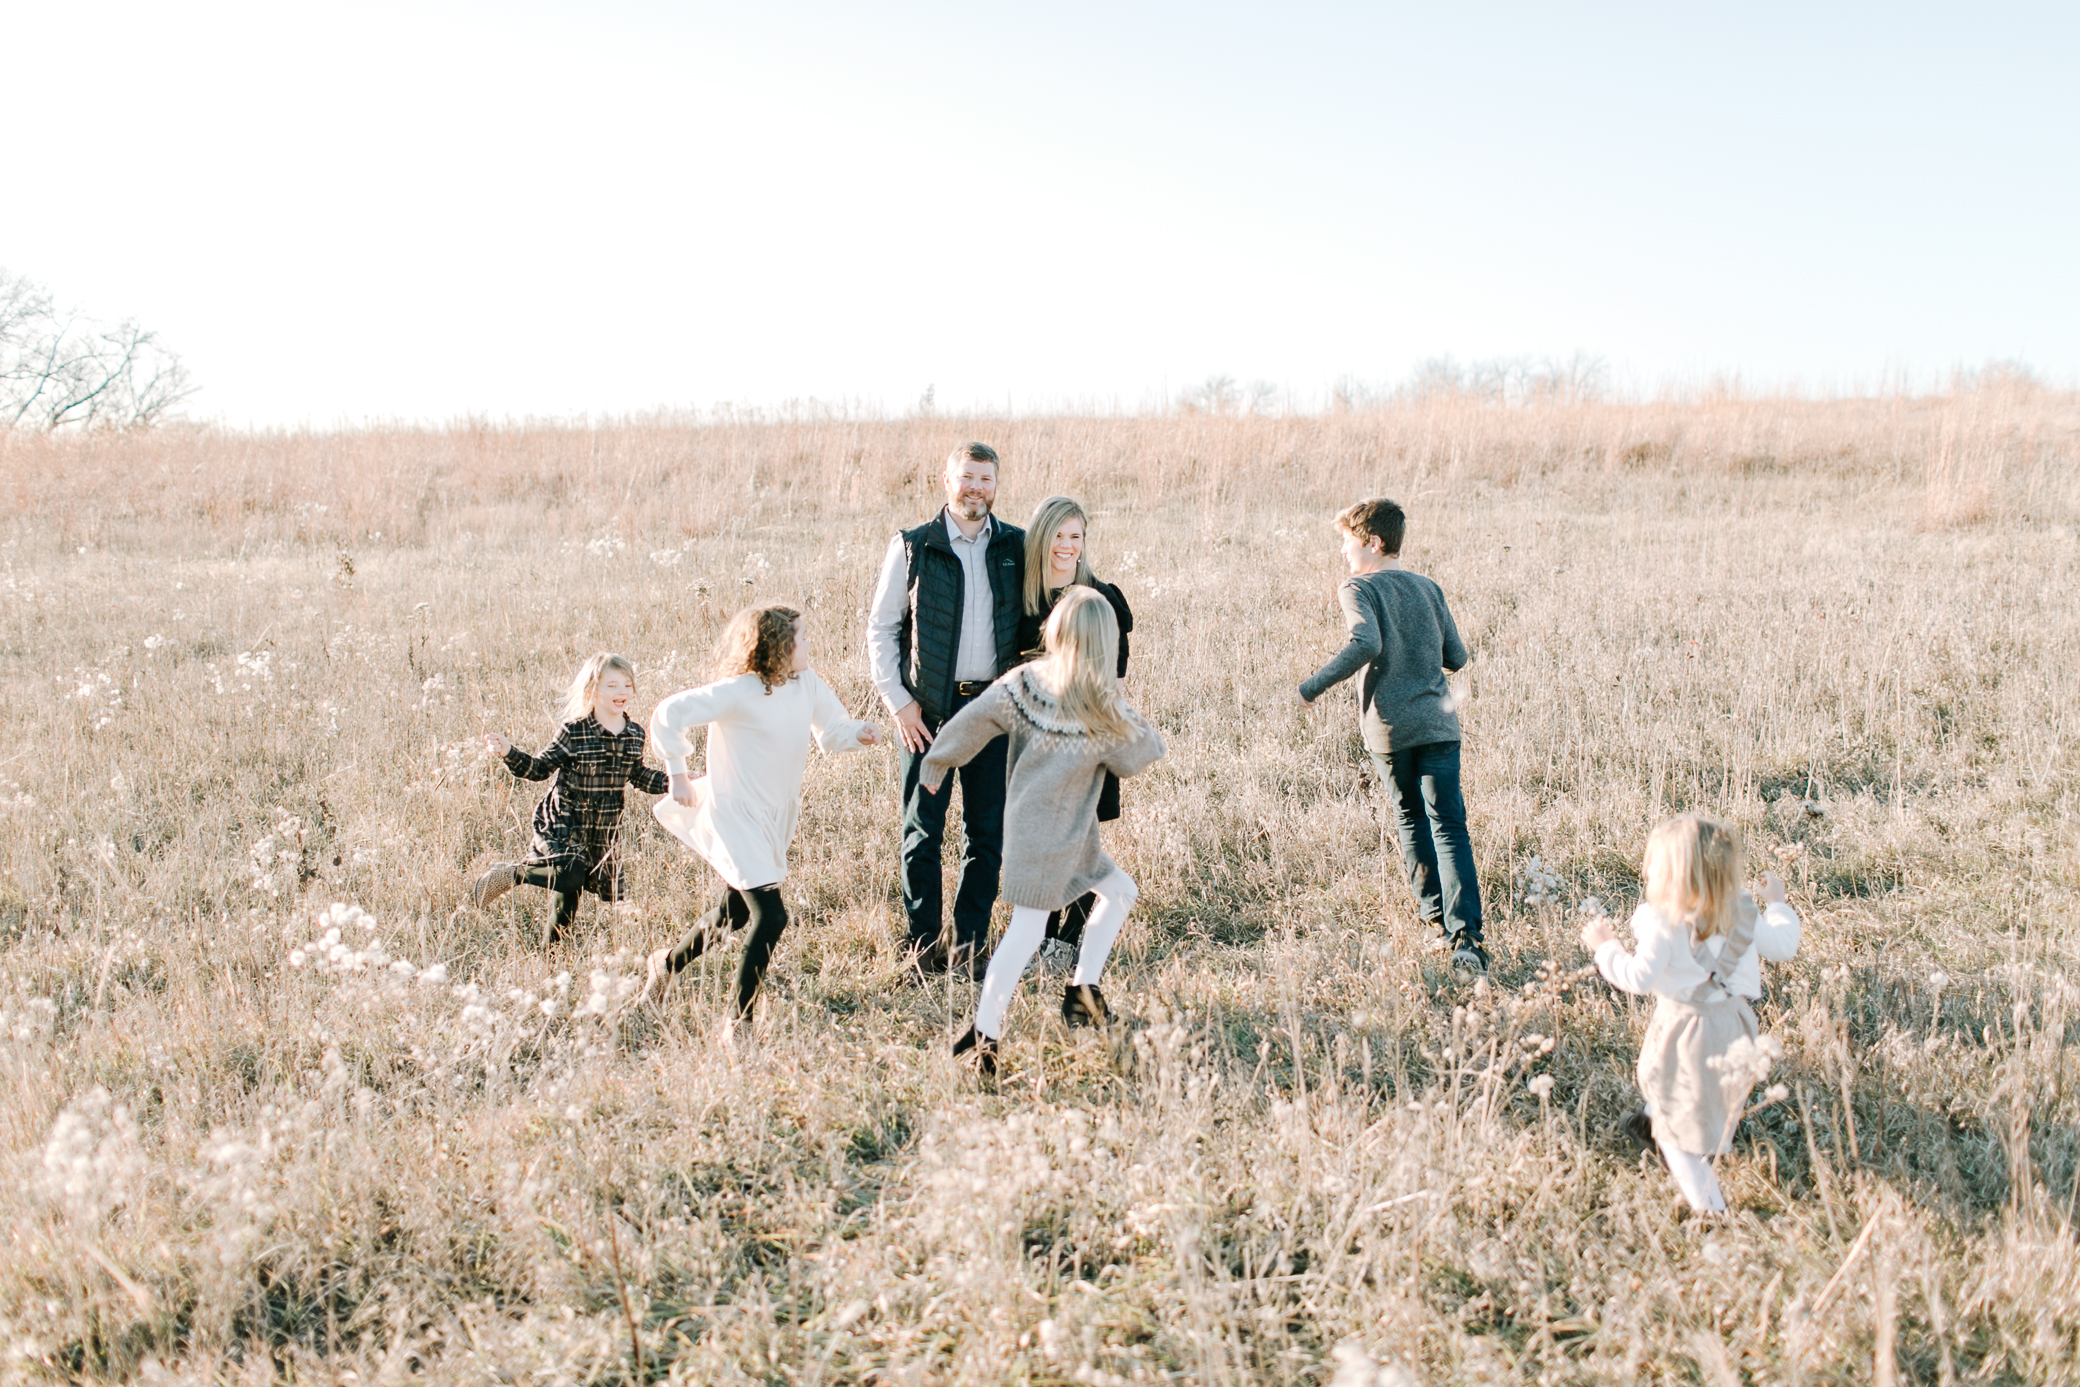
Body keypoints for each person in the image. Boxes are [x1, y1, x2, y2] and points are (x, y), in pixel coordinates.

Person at [921, 588, 1166, 1078]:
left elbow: (974, 719)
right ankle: (983, 1033)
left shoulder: (1026, 681)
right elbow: (1141, 755)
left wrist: (938, 759)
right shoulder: (1100, 707)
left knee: (1119, 891)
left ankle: (1081, 993)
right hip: (1046, 837)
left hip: (1060, 831)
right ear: (1105, 644)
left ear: (1056, 631)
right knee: (1026, 931)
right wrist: (1124, 707)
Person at [641, 606, 878, 1026]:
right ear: (776, 646)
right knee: (771, 916)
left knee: (733, 911)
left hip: (775, 815)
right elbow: (668, 713)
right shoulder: (738, 691)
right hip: (735, 813)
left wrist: (857, 732)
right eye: (801, 638)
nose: (809, 644)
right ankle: (740, 1023)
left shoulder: (806, 683)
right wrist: (676, 771)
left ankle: (666, 966)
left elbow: (833, 728)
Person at [1296, 498, 1485, 974]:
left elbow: (1367, 642)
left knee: (1410, 820)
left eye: (1346, 542)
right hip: (1440, 724)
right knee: (1449, 826)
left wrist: (1310, 687)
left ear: (1373, 543)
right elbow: (1457, 657)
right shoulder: (1429, 588)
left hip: (1391, 727)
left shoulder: (1357, 587)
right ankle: (1468, 939)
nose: (1343, 552)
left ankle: (1437, 925)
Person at [864, 442, 1027, 978]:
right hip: (927, 712)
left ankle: (970, 947)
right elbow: (882, 628)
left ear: (996, 485)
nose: (975, 488)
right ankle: (922, 948)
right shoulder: (914, 546)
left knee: (986, 833)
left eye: (985, 479)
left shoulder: (1015, 547)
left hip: (992, 710)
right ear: (946, 480)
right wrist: (899, 704)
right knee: (922, 833)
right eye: (966, 477)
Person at [1579, 814, 1782, 1215]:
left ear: (1670, 876)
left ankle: (1711, 1209)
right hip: (1736, 1024)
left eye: (1652, 868)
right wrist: (1777, 904)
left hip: (1686, 1030)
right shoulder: (1742, 910)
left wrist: (1606, 947)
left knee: (1677, 1133)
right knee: (1693, 1093)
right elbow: (1782, 945)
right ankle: (1652, 1115)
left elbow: (1637, 978)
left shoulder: (1663, 923)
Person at [474, 652, 670, 943]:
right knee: (569, 875)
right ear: (592, 690)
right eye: (613, 685)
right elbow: (540, 769)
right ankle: (512, 874)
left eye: (627, 685)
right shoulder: (574, 731)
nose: (623, 692)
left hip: (602, 827)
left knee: (568, 899)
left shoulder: (634, 734)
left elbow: (638, 775)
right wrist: (508, 752)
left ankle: (551, 957)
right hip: (565, 818)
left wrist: (675, 782)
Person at [1016, 495, 1134, 951]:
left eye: (1075, 536)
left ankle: (1065, 939)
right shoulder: (1022, 599)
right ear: (1041, 539)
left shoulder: (1101, 597)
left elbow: (1115, 682)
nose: (1066, 546)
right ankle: (1046, 936)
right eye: (1057, 536)